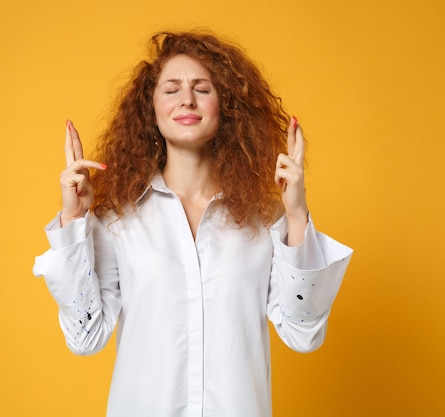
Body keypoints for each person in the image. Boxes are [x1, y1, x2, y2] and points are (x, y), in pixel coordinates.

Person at [33, 30, 353, 417]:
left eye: (202, 88)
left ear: (226, 107)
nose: (187, 99)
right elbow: (85, 338)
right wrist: (72, 220)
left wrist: (297, 212)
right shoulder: (119, 220)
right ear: (150, 109)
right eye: (171, 89)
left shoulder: (264, 221)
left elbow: (303, 335)